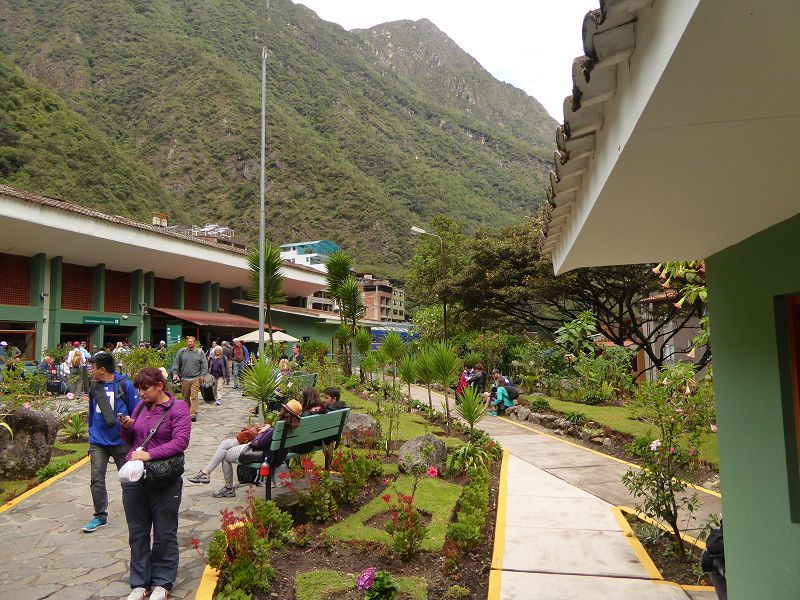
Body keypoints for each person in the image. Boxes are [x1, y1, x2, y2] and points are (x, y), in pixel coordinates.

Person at [119, 367, 191, 600]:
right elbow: (134, 439)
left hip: (163, 479)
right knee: (137, 531)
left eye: (145, 388)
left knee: (164, 532)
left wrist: (151, 454)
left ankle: (162, 581)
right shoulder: (141, 407)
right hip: (136, 478)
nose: (140, 393)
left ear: (159, 386)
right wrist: (127, 428)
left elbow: (181, 441)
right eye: (138, 388)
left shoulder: (177, 408)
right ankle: (140, 583)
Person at [187, 400, 303, 497]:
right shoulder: (291, 428)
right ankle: (205, 472)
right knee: (226, 443)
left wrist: (263, 432)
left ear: (284, 412)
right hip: (275, 454)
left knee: (225, 454)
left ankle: (227, 488)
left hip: (262, 454)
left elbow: (255, 444)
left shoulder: (277, 429)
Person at [83, 352, 140, 533]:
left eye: (92, 367)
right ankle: (100, 515)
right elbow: (92, 413)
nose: (90, 371)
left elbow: (136, 412)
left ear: (102, 369)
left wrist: (133, 433)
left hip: (121, 441)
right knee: (96, 479)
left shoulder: (125, 385)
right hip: (98, 441)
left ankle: (135, 512)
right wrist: (91, 432)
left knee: (127, 479)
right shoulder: (94, 388)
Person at [171, 336, 207, 422]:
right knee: (185, 397)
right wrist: (175, 373)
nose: (189, 343)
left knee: (194, 396)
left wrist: (203, 375)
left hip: (196, 377)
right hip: (185, 378)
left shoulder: (200, 352)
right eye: (188, 342)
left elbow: (204, 364)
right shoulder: (182, 352)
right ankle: (187, 412)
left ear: (194, 343)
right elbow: (176, 363)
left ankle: (193, 413)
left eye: (191, 342)